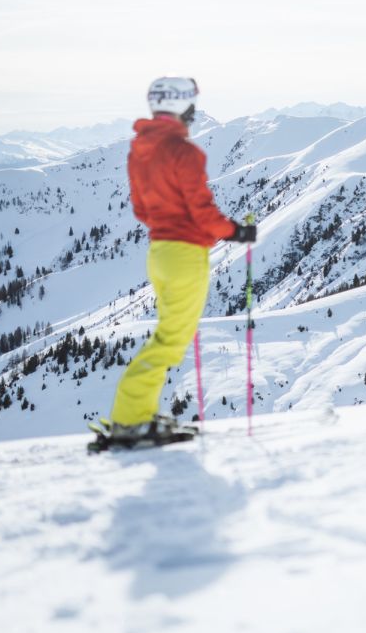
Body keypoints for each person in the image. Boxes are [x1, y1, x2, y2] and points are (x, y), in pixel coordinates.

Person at [108, 76, 256, 444]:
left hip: (159, 251)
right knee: (171, 341)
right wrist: (236, 232)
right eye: (191, 108)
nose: (193, 115)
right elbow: (202, 210)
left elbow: (142, 209)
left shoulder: (140, 150)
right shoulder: (184, 152)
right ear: (181, 108)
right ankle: (129, 420)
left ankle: (139, 415)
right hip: (185, 254)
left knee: (167, 335)